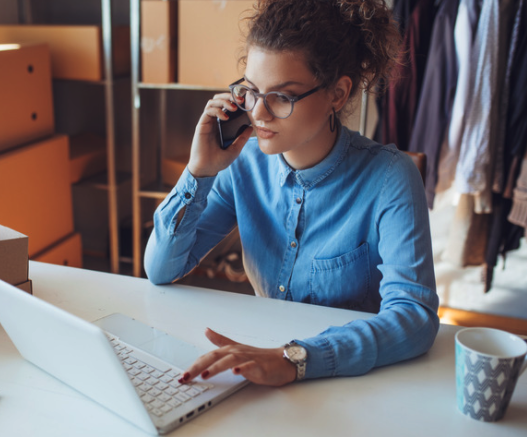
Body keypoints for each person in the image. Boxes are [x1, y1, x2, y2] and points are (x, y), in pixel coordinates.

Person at [144, 0, 440, 386]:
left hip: (352, 382)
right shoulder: (242, 164)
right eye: (251, 91)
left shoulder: (391, 178)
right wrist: (198, 171)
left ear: (337, 93)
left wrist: (294, 360)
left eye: (282, 97)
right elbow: (162, 269)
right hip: (260, 367)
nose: (259, 114)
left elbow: (414, 317)